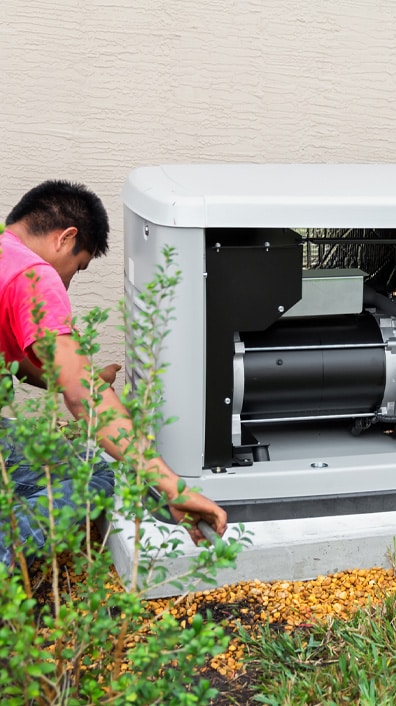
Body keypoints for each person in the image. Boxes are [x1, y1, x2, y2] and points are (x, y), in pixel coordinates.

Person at [0, 180, 227, 566]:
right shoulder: (34, 277)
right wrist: (173, 487)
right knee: (97, 476)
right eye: (78, 266)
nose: (68, 282)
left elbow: (15, 360)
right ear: (65, 237)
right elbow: (85, 402)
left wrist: (72, 376)